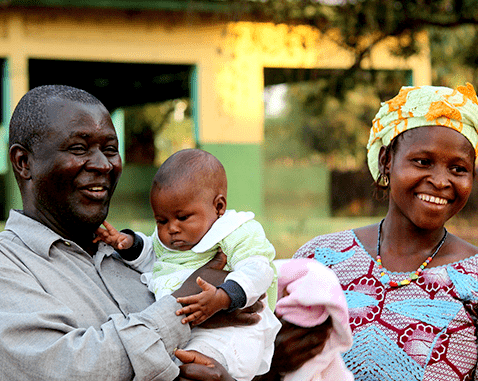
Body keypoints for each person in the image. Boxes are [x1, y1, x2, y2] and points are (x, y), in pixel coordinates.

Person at [0, 84, 259, 381]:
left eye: (110, 149)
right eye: (79, 148)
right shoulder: (9, 265)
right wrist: (184, 308)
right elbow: (71, 369)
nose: (103, 164)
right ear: (24, 163)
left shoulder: (143, 254)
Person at [289, 83, 478, 380]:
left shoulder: (474, 277)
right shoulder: (320, 259)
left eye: (458, 169)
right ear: (386, 161)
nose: (441, 181)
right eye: (423, 162)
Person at [94, 148, 281, 381]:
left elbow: (258, 269)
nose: (172, 228)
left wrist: (222, 298)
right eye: (161, 220)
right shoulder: (172, 241)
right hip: (185, 330)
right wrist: (128, 243)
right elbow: (153, 256)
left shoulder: (235, 231)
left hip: (233, 332)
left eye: (182, 218)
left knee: (187, 367)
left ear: (219, 207)